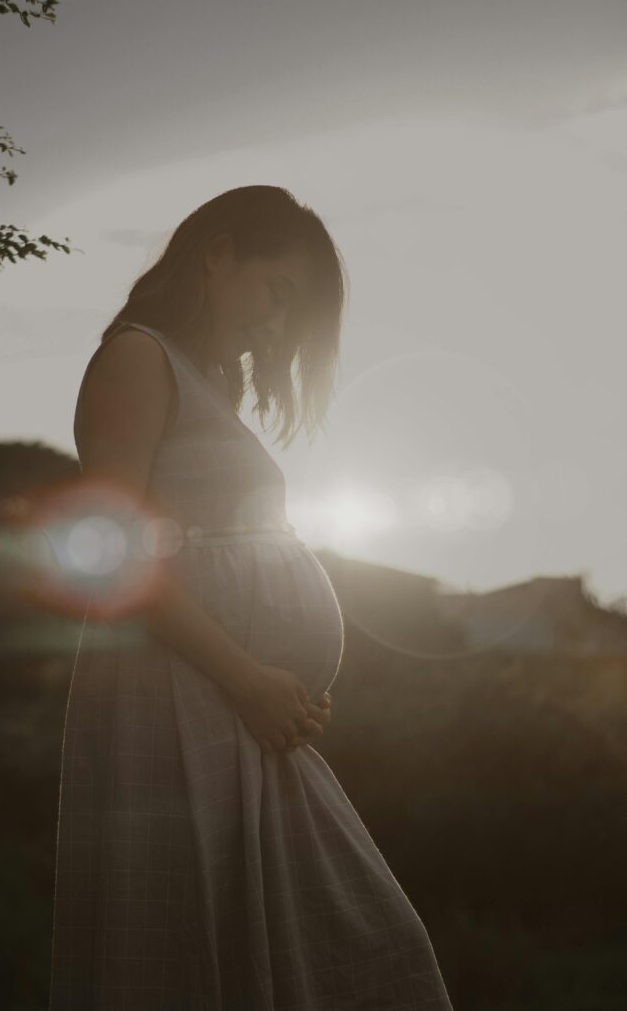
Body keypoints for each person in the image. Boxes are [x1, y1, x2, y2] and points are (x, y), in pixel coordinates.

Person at [49, 186, 454, 1010]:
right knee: (202, 954)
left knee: (348, 952)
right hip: (180, 695)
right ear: (218, 253)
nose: (277, 327)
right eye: (279, 294)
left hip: (238, 708)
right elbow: (111, 554)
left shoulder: (209, 385)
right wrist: (247, 677)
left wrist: (269, 682)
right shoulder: (138, 357)